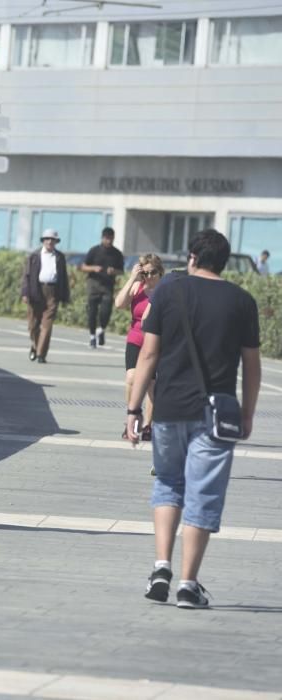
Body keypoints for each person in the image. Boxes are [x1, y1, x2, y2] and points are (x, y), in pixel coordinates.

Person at [127, 229, 260, 610]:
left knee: (168, 483)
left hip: (169, 407)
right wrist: (247, 413)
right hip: (218, 413)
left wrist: (134, 410)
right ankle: (188, 584)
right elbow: (251, 367)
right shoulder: (242, 301)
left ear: (192, 258)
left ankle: (160, 567)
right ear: (224, 261)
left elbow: (148, 356)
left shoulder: (169, 291)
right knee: (204, 493)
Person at [115, 253, 164, 443]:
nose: (149, 277)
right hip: (135, 338)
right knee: (131, 377)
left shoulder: (164, 291)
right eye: (146, 273)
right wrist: (132, 279)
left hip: (153, 341)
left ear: (160, 273)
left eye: (153, 273)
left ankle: (148, 426)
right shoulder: (137, 287)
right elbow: (119, 304)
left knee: (151, 385)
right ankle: (133, 417)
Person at [20, 229, 70, 363]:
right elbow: (26, 276)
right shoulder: (34, 256)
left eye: (52, 239)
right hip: (36, 290)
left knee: (47, 325)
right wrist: (25, 293)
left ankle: (41, 354)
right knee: (32, 325)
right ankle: (35, 346)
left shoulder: (59, 257)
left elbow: (63, 277)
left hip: (53, 291)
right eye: (47, 239)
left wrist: (65, 296)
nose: (50, 242)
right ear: (43, 241)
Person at [81, 227, 124, 348]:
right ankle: (92, 336)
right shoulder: (94, 251)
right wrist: (93, 268)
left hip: (108, 285)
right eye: (107, 238)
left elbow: (121, 271)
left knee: (106, 310)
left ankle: (101, 329)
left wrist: (114, 271)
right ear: (102, 238)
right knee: (92, 311)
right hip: (93, 284)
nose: (109, 241)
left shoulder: (117, 254)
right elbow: (83, 266)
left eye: (111, 238)